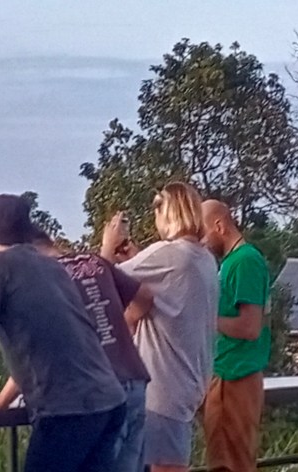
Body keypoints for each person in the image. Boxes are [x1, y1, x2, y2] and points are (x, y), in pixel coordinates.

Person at [0, 194, 127, 472]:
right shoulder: (52, 266)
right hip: (109, 399)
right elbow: (48, 338)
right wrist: (3, 400)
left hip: (68, 407)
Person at [101, 182, 219, 472]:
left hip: (162, 389)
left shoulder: (169, 254)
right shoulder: (204, 258)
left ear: (167, 214)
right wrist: (138, 259)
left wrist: (107, 246)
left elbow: (98, 278)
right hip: (188, 385)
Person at [28, 229, 153, 472]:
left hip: (102, 390)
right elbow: (145, 296)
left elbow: (42, 342)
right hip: (135, 378)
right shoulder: (94, 261)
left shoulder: (48, 277)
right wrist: (123, 324)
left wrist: (2, 399)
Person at [200, 199, 271, 472]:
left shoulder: (245, 261)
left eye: (203, 233)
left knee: (233, 463)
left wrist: (207, 320)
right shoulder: (230, 263)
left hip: (236, 376)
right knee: (221, 461)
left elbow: (250, 327)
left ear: (219, 226)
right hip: (224, 376)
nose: (202, 242)